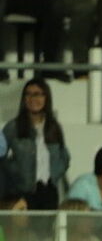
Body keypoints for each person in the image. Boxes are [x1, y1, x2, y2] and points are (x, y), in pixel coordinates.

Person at [2, 79, 70, 209]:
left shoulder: (53, 127)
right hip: (22, 191)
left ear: (46, 97)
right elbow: (1, 155)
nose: (33, 98)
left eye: (38, 94)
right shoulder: (13, 127)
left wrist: (55, 174)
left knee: (47, 228)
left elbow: (64, 156)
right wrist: (14, 172)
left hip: (49, 191)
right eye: (28, 94)